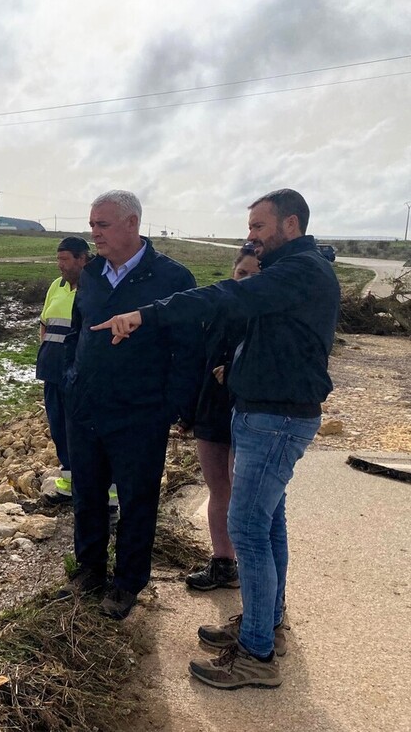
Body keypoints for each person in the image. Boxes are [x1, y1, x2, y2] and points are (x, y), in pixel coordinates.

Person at [91, 189, 340, 688]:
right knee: (267, 527)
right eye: (249, 227)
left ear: (290, 225)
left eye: (259, 227)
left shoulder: (302, 271)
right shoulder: (294, 270)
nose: (250, 236)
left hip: (276, 418)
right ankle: (261, 624)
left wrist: (145, 313)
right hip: (266, 414)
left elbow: (226, 296)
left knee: (247, 528)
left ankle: (257, 656)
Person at [61, 190, 203, 620]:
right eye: (91, 224)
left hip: (141, 413)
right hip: (86, 406)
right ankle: (88, 571)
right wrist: (72, 378)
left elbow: (189, 350)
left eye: (101, 225)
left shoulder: (172, 278)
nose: (93, 233)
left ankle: (127, 583)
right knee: (86, 493)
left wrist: (172, 406)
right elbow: (80, 329)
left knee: (137, 499)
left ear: (131, 224)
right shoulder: (92, 274)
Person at [185, 244, 260, 591]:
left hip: (250, 413)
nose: (245, 281)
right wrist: (188, 412)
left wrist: (234, 372)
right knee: (218, 491)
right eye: (241, 273)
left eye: (254, 276)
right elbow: (200, 362)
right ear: (232, 274)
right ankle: (223, 563)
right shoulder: (216, 309)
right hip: (212, 411)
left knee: (247, 500)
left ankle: (257, 577)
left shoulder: (269, 316)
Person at [37, 237, 91, 504]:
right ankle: (69, 485)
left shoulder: (94, 287)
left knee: (81, 430)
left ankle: (97, 490)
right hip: (52, 371)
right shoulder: (55, 286)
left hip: (79, 375)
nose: (59, 265)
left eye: (65, 259)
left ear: (82, 259)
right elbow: (44, 323)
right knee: (59, 427)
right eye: (58, 259)